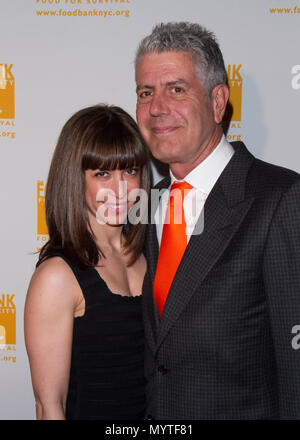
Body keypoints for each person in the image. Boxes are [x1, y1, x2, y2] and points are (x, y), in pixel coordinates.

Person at [135, 22, 300, 419]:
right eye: (145, 92)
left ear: (217, 101)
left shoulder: (280, 198)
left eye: (176, 89)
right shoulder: (145, 203)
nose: (157, 107)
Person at [24, 104, 150, 420]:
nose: (121, 189)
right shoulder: (57, 276)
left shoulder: (152, 253)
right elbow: (50, 406)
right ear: (74, 179)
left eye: (130, 171)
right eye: (102, 173)